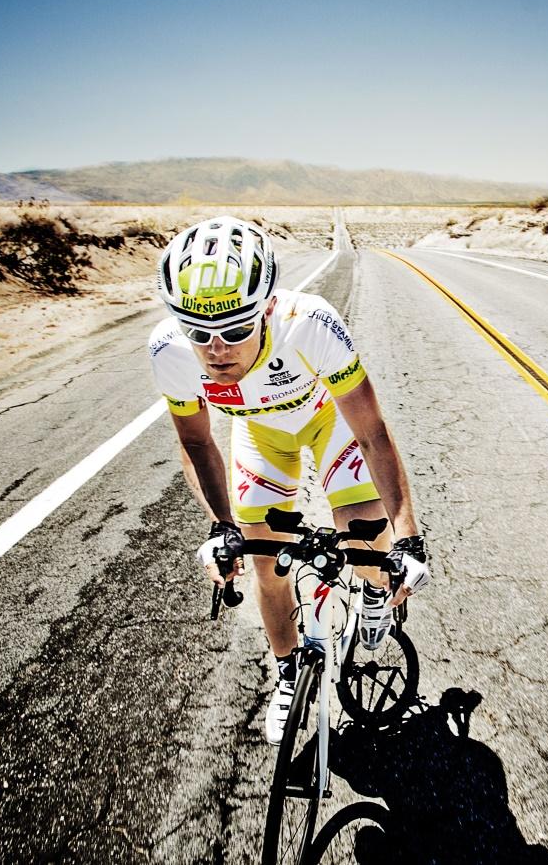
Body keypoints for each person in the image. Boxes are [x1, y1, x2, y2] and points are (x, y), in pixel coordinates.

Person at [147, 215, 430, 745]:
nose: (215, 349)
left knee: (368, 542)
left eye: (234, 330)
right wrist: (219, 527)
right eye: (198, 332)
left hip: (330, 425)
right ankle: (286, 671)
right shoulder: (170, 351)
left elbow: (369, 431)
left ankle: (373, 598)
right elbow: (197, 442)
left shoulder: (309, 325)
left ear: (268, 308)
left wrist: (409, 534)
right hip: (263, 437)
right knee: (266, 565)